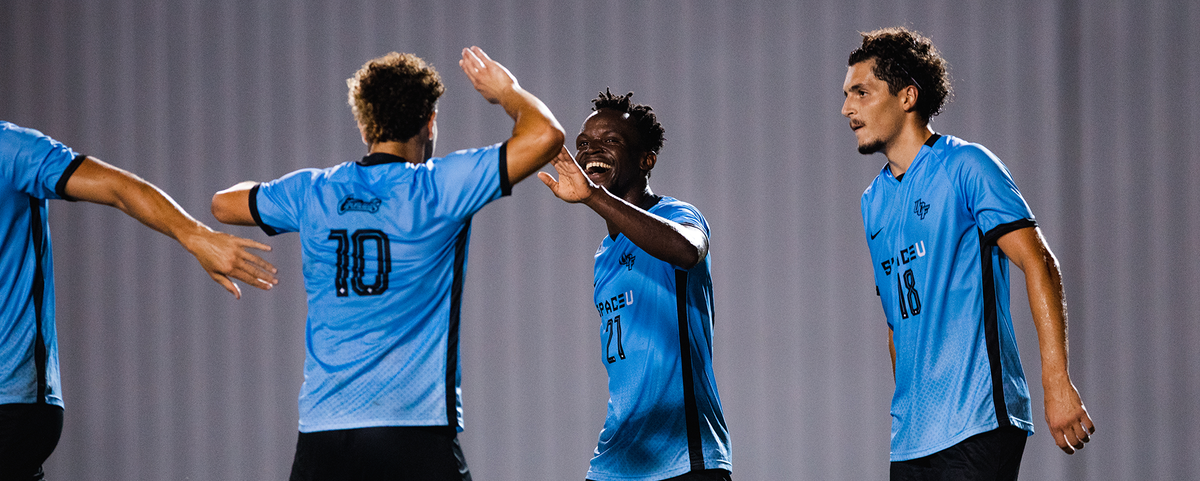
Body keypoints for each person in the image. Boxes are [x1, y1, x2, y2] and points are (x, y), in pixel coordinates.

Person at [210, 47, 563, 480]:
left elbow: (224, 204)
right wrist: (506, 91)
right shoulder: (441, 188)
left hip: (325, 435)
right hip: (413, 432)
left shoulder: (314, 192)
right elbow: (545, 135)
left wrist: (286, 194)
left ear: (364, 125)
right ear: (430, 121)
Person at [840, 27, 1096, 479]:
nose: (847, 109)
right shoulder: (872, 201)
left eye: (861, 92)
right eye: (846, 95)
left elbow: (1039, 264)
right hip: (912, 435)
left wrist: (1056, 382)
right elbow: (896, 320)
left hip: (977, 419)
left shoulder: (967, 166)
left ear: (907, 96)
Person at [0, 121, 278, 479]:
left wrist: (195, 235)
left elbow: (118, 188)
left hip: (11, 407)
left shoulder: (11, 149)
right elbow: (118, 189)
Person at [539, 89, 732, 481]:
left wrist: (592, 196)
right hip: (616, 460)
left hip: (683, 458)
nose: (592, 150)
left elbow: (686, 250)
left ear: (647, 160)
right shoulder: (602, 257)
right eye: (584, 143)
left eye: (610, 140)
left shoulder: (677, 214)